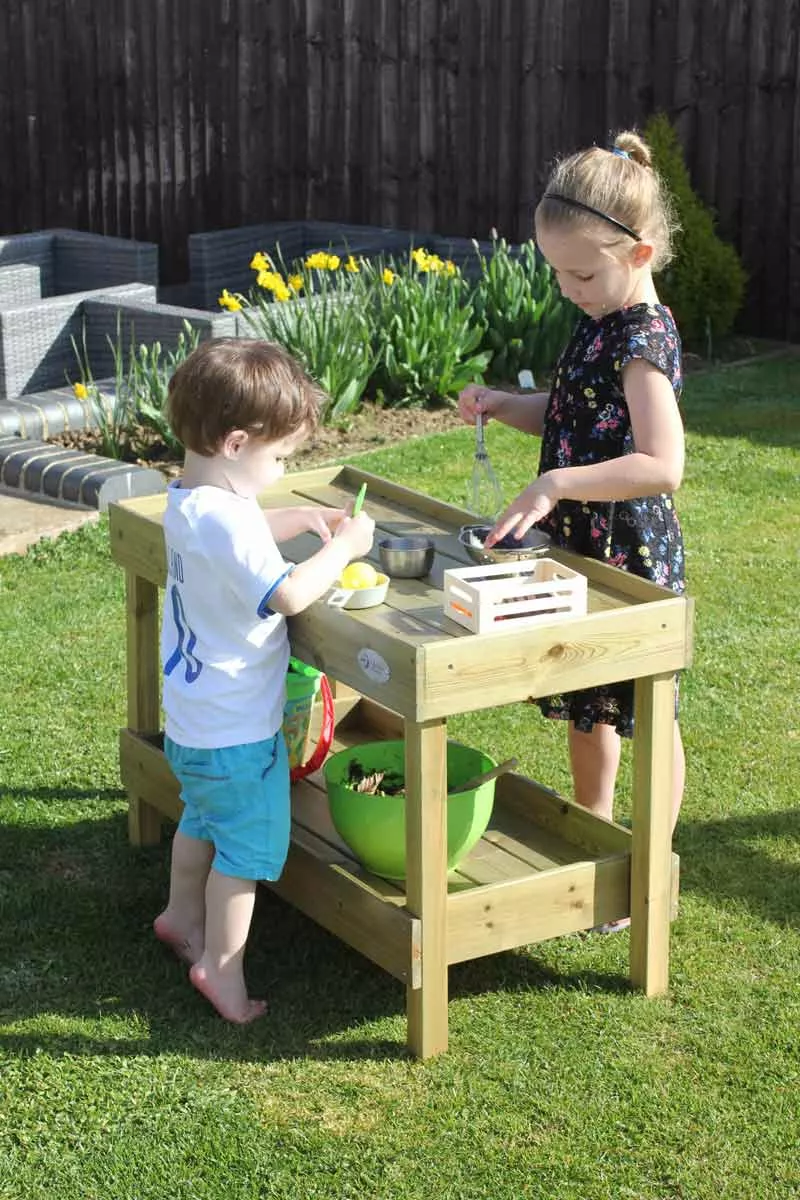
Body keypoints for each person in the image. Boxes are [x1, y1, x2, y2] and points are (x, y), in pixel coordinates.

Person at [459, 130, 686, 861]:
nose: (567, 290)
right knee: (589, 707)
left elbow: (660, 464)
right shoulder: (599, 321)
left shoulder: (641, 342)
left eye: (581, 275)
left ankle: (646, 857)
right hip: (584, 544)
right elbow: (574, 414)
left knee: (645, 711)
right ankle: (594, 828)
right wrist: (503, 402)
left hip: (631, 554)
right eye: (557, 273)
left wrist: (555, 482)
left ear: (639, 255)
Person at [152, 337, 375, 1022]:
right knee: (246, 849)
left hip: (191, 724)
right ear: (237, 442)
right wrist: (341, 547)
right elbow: (287, 596)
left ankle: (178, 916)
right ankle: (221, 968)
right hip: (238, 732)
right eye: (277, 458)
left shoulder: (189, 497)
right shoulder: (225, 521)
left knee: (201, 818)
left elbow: (239, 529)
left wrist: (301, 518)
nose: (280, 469)